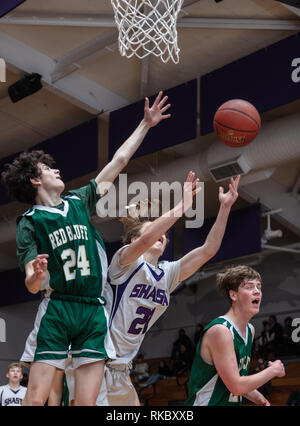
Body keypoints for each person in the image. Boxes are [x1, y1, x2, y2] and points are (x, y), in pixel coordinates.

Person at [1, 91, 171, 406]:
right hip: (58, 306)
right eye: (47, 169)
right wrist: (38, 276)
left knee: (87, 403)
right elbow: (30, 281)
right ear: (35, 181)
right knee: (36, 398)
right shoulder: (30, 221)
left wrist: (145, 125)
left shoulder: (79, 201)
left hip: (94, 309)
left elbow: (118, 162)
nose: (56, 170)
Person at [98, 173, 241, 406]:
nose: (162, 235)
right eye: (155, 230)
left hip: (122, 369)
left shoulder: (167, 274)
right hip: (97, 361)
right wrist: (183, 205)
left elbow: (208, 250)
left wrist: (225, 208)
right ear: (134, 238)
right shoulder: (123, 263)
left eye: (164, 235)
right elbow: (145, 241)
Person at [185, 265, 286, 406]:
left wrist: (261, 400)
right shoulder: (221, 331)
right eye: (250, 287)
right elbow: (236, 386)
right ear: (233, 295)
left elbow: (237, 379)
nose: (257, 291)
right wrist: (272, 370)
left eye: (259, 287)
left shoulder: (249, 330)